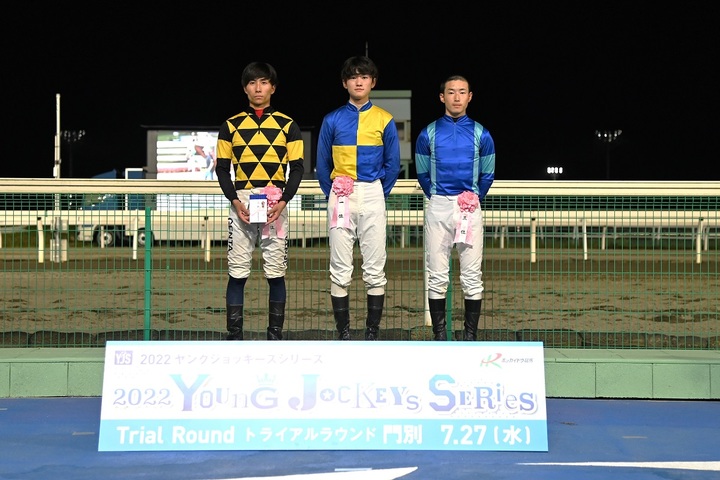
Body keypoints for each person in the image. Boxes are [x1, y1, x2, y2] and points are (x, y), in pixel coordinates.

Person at [215, 61, 305, 340]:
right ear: (245, 88)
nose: (258, 88)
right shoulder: (230, 126)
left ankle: (274, 336)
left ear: (273, 88)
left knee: (276, 272)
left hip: (275, 203)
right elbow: (222, 168)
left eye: (264, 82)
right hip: (241, 202)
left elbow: (297, 168)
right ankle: (235, 336)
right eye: (252, 83)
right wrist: (234, 201)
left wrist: (283, 201)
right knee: (237, 271)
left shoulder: (288, 125)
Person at [316, 56, 401, 341]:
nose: (359, 81)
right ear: (345, 83)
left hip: (373, 192)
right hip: (340, 194)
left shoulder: (385, 119)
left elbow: (393, 164)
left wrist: (376, 191)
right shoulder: (331, 119)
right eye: (353, 77)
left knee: (375, 267)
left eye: (364, 76)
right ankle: (343, 333)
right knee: (340, 267)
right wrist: (334, 193)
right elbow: (323, 164)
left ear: (373, 82)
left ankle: (371, 333)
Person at [414, 75, 496, 341]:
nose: (457, 97)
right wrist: (438, 197)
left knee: (472, 276)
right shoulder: (428, 133)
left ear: (470, 97)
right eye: (451, 92)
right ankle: (440, 337)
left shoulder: (482, 134)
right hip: (438, 205)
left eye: (462, 92)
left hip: (469, 208)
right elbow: (422, 173)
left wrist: (473, 198)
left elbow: (488, 173)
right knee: (437, 274)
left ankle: (470, 337)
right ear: (442, 97)